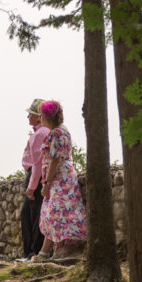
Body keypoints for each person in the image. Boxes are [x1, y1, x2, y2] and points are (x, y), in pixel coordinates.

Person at [33, 100, 87, 261]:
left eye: (41, 116)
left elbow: (55, 160)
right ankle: (54, 251)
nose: (40, 119)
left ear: (48, 117)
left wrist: (47, 183)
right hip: (62, 176)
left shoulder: (57, 133)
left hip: (60, 178)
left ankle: (47, 252)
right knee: (56, 214)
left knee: (54, 214)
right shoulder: (61, 130)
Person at [20, 98, 48, 260]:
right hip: (36, 174)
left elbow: (38, 163)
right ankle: (31, 252)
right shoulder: (42, 132)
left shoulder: (40, 133)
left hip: (36, 175)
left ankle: (33, 252)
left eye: (30, 114)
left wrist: (31, 186)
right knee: (30, 213)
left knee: (33, 214)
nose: (28, 117)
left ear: (38, 116)